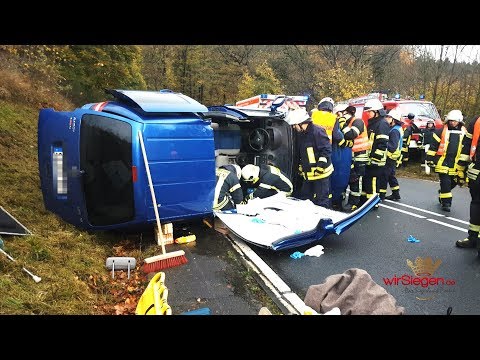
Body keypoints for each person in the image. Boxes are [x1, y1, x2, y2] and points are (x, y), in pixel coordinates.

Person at [286, 108, 333, 207]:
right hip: (309, 174)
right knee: (305, 199)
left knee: (322, 200)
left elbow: (326, 150)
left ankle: (323, 219)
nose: (294, 127)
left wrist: (320, 167)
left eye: (295, 125)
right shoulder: (302, 134)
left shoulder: (318, 131)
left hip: (321, 174)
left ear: (301, 122)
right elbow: (303, 152)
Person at [426, 109, 467, 212]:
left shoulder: (465, 132)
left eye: (455, 121)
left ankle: (443, 192)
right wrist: (430, 159)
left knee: (456, 182)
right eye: (451, 120)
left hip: (457, 163)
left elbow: (467, 147)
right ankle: (446, 203)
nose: (452, 122)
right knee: (445, 182)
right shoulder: (441, 131)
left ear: (459, 121)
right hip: (442, 162)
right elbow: (433, 146)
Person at [312, 99, 349, 209]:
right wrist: (344, 141)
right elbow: (337, 135)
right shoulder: (333, 118)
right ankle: (326, 205)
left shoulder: (313, 115)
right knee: (325, 180)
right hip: (326, 150)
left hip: (310, 149)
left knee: (311, 179)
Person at [456, 114, 480, 257]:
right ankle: (473, 238)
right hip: (477, 170)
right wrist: (460, 167)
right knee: (476, 204)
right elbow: (467, 145)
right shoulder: (476, 121)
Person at [338, 105, 370, 211]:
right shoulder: (346, 123)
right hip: (350, 157)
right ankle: (341, 199)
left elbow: (350, 135)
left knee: (356, 180)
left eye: (342, 114)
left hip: (359, 156)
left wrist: (342, 122)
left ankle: (354, 203)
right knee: (347, 178)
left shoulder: (358, 122)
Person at [362, 98, 390, 207]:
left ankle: (373, 203)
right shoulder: (373, 123)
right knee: (368, 180)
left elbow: (382, 143)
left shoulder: (382, 124)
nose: (368, 114)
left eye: (370, 112)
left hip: (376, 160)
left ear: (377, 112)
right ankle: (366, 201)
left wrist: (375, 158)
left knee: (373, 181)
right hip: (370, 158)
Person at [381, 109, 404, 201]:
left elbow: (392, 146)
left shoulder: (394, 131)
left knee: (384, 175)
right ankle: (396, 193)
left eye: (389, 117)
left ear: (393, 119)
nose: (387, 118)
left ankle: (381, 195)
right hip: (394, 157)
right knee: (391, 176)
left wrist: (383, 142)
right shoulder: (397, 128)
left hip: (390, 156)